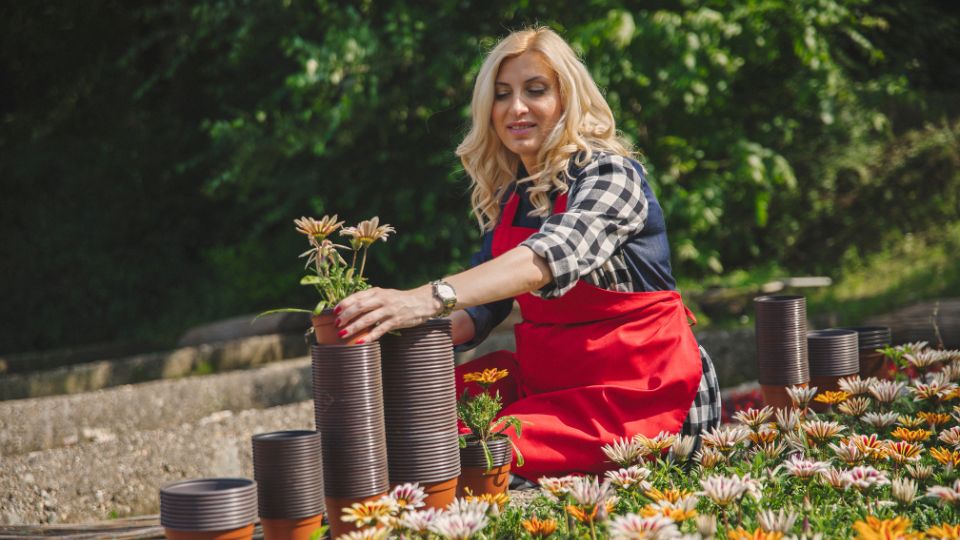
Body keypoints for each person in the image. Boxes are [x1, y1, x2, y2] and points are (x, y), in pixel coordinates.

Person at [334, 26, 721, 481]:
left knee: (462, 451)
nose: (515, 107)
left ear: (567, 99)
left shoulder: (612, 175)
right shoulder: (511, 197)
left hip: (639, 396)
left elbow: (548, 257)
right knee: (408, 416)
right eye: (501, 95)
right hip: (555, 388)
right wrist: (384, 330)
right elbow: (479, 307)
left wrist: (422, 298)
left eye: (535, 90)